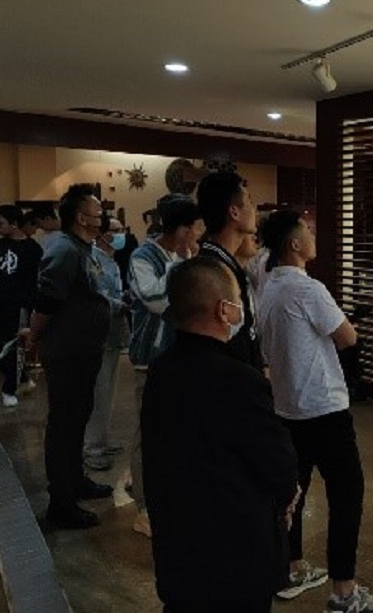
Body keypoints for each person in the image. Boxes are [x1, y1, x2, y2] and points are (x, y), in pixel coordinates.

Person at [143, 256, 300, 613]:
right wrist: (287, 494)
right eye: (238, 301)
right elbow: (277, 461)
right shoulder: (239, 379)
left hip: (177, 547)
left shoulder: (161, 371)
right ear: (223, 310)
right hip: (235, 554)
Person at [258, 209, 373, 613]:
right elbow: (347, 336)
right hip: (323, 408)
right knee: (347, 495)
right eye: (308, 231)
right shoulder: (308, 288)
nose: (314, 235)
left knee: (293, 493)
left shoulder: (268, 286)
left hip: (286, 407)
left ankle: (292, 567)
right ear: (294, 244)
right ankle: (344, 591)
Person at [21, 184, 112, 529]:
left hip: (85, 348)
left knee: (78, 417)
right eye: (98, 211)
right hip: (67, 349)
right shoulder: (63, 248)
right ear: (81, 217)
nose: (102, 216)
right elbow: (47, 299)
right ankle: (61, 502)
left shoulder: (84, 247)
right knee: (63, 423)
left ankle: (76, 480)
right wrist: (34, 336)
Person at [126, 196, 201, 538]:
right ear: (182, 230)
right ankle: (144, 508)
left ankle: (172, 495)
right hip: (151, 357)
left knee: (179, 430)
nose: (199, 234)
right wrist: (181, 265)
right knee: (149, 433)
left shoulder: (187, 256)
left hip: (182, 355)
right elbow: (156, 300)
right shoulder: (143, 257)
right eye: (195, 227)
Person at [196, 172, 261, 368]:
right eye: (249, 202)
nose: (255, 210)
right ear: (234, 212)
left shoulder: (225, 264)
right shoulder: (212, 271)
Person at [83, 215, 130, 471]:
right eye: (115, 230)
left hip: (113, 332)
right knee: (99, 392)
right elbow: (98, 297)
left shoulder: (111, 260)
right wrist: (122, 303)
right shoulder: (94, 260)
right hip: (99, 333)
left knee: (108, 391)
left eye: (121, 229)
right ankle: (92, 447)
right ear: (102, 234)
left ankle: (102, 439)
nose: (120, 234)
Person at [0, 205, 42, 407]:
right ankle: (23, 378)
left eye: (1, 223)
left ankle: (10, 388)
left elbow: (35, 279)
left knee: (14, 345)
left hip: (20, 304)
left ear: (15, 224)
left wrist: (32, 307)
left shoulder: (32, 249)